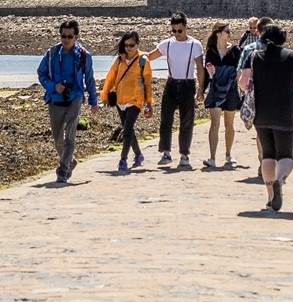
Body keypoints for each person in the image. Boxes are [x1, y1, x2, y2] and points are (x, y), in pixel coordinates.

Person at [239, 23, 293, 212]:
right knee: (286, 155)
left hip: (261, 113)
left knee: (268, 155)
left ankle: (271, 197)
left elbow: (243, 83)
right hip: (284, 112)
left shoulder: (254, 56)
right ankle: (280, 180)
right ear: (283, 39)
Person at [36, 19, 97, 184]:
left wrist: (93, 100)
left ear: (76, 36)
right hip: (55, 98)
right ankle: (70, 161)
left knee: (70, 135)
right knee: (58, 138)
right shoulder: (52, 53)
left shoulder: (84, 55)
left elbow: (89, 79)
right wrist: (53, 86)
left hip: (75, 97)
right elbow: (41, 73)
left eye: (70, 36)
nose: (66, 39)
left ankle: (62, 171)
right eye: (63, 36)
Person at [150, 13, 205, 168]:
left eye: (179, 31)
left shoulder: (195, 45)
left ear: (186, 27)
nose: (176, 34)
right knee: (165, 119)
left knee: (186, 121)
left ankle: (184, 155)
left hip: (188, 84)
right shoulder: (167, 44)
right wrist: (132, 58)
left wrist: (201, 89)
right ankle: (166, 153)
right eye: (173, 31)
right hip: (171, 84)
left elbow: (200, 68)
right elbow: (149, 57)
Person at [97, 30, 153, 172]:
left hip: (135, 100)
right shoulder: (119, 60)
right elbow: (110, 77)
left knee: (127, 130)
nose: (128, 48)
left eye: (132, 45)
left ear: (137, 44)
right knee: (129, 130)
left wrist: (149, 104)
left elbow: (147, 84)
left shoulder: (143, 61)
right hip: (120, 100)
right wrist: (104, 95)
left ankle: (123, 160)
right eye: (126, 45)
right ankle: (139, 154)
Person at [201, 23, 242, 168]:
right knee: (215, 123)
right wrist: (200, 91)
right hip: (215, 90)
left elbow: (240, 70)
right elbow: (206, 74)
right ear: (218, 33)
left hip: (230, 90)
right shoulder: (211, 51)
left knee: (229, 124)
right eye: (227, 31)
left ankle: (228, 154)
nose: (229, 33)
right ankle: (212, 158)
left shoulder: (235, 50)